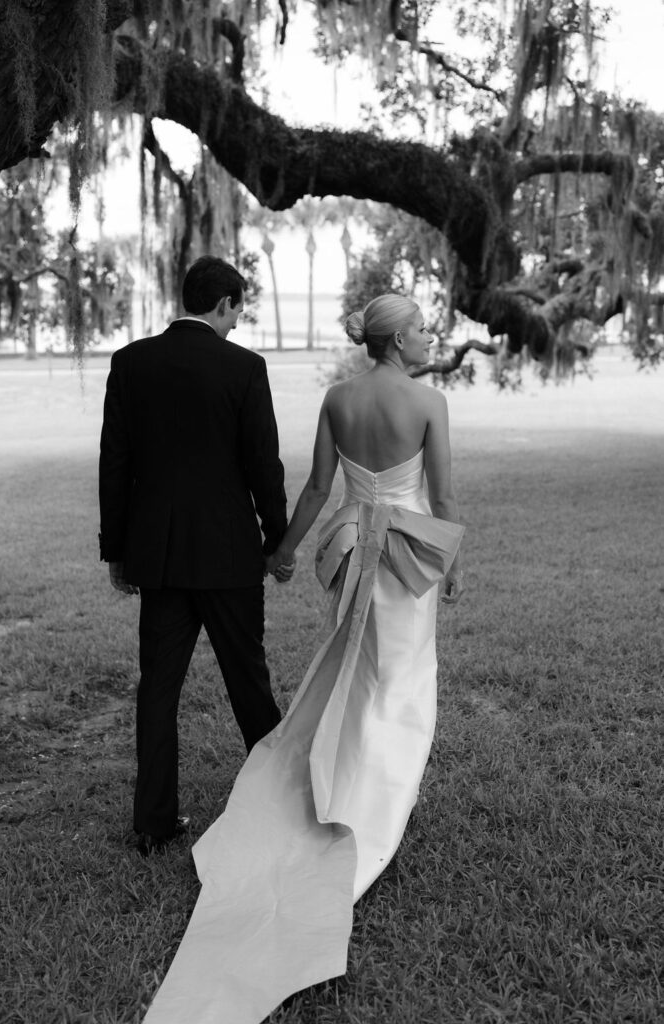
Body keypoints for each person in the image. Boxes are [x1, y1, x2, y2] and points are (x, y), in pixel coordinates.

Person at [140, 293, 465, 1024]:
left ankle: (340, 775)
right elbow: (441, 493)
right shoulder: (428, 401)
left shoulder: (337, 398)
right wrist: (454, 562)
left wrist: (283, 551)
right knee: (400, 681)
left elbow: (319, 486)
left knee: (355, 671)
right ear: (391, 340)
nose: (426, 335)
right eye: (417, 327)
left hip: (355, 551)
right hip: (410, 556)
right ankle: (372, 802)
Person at [98, 255, 291, 858]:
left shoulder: (131, 363)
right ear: (226, 304)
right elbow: (265, 464)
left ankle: (152, 825)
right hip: (230, 555)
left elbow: (116, 464)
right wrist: (276, 542)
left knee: (157, 689)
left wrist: (117, 551)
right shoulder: (244, 367)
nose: (238, 323)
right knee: (249, 683)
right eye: (239, 311)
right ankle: (285, 807)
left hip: (158, 558)